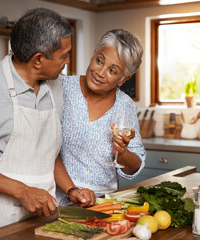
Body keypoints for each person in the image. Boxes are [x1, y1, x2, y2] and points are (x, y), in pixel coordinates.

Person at [0, 8, 95, 237]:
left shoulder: (55, 86)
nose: (66, 62)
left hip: (44, 217)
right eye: (63, 56)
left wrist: (70, 189)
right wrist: (23, 192)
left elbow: (47, 152)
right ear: (38, 59)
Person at [56, 29, 146, 205]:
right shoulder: (62, 88)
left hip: (103, 204)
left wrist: (122, 152)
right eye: (99, 61)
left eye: (112, 71)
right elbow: (46, 150)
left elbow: (135, 166)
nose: (100, 72)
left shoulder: (125, 105)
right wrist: (72, 191)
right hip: (59, 198)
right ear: (93, 55)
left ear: (123, 79)